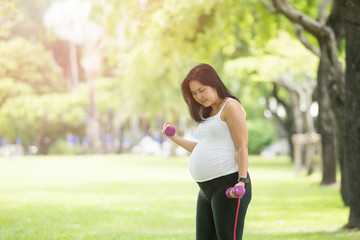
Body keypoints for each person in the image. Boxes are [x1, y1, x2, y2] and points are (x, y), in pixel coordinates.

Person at [162, 63, 252, 240]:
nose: (198, 96)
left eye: (201, 90)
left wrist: (241, 181)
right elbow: (204, 147)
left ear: (214, 84)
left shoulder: (230, 106)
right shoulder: (209, 112)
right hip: (206, 189)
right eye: (194, 93)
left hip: (228, 184)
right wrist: (174, 138)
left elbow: (242, 145)